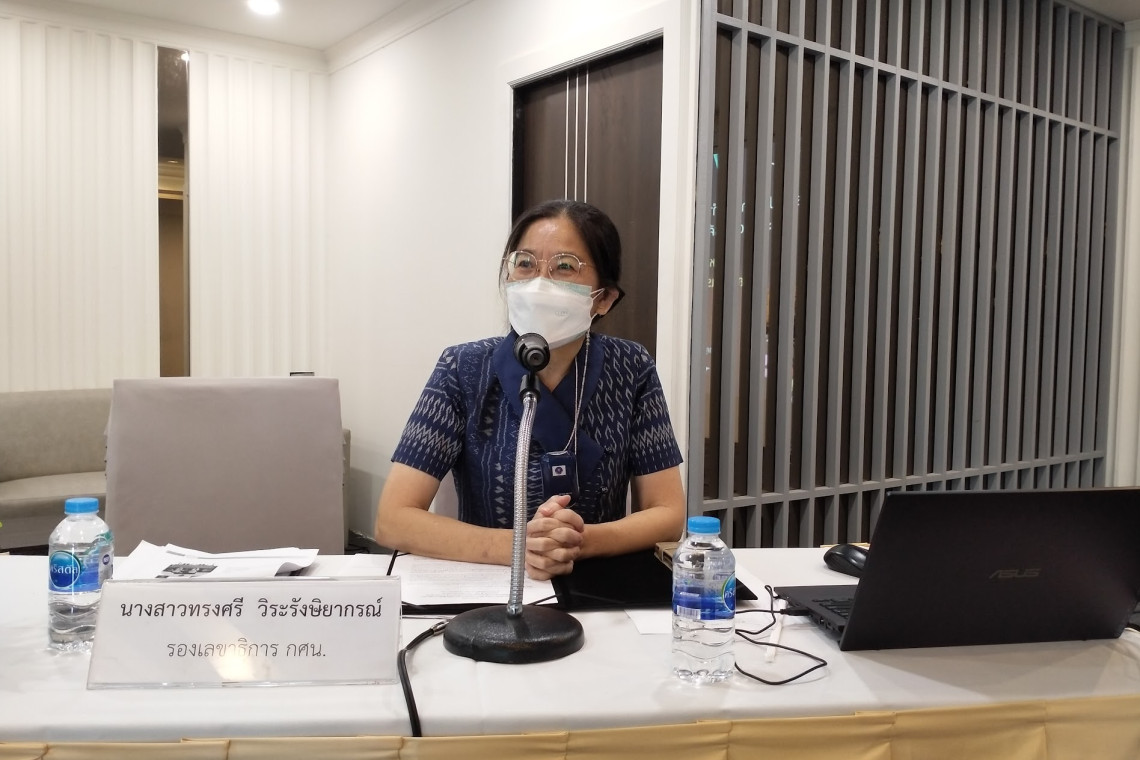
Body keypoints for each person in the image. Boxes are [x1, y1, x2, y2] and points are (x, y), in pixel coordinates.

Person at [374, 199, 685, 580]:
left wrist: (579, 542)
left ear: (604, 298)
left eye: (564, 266)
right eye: (524, 263)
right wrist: (521, 547)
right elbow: (394, 518)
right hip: (489, 582)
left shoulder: (631, 367)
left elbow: (667, 513)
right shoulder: (463, 368)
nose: (539, 282)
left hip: (595, 587)